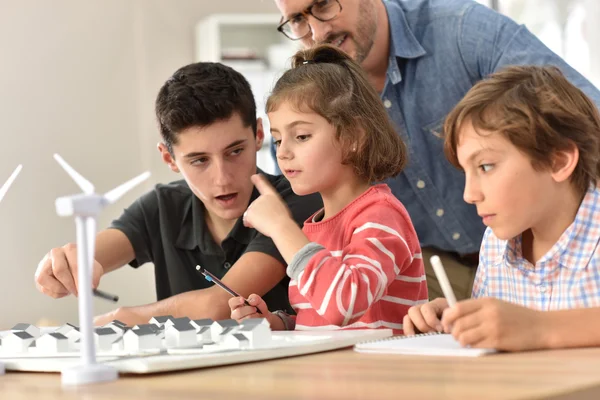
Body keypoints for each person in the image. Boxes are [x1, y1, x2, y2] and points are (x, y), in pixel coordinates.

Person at [272, 0, 600, 301]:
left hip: (536, 248)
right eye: (298, 20)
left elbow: (582, 121)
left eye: (324, 4)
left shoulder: (463, 30)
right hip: (438, 265)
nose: (317, 31)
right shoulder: (314, 102)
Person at [34, 62, 322, 326]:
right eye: (199, 160)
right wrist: (63, 265)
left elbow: (218, 305)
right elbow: (87, 256)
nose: (222, 178)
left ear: (259, 134)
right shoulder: (161, 206)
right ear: (169, 159)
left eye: (235, 151)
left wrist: (122, 318)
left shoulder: (295, 200)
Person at [229, 44, 428, 333]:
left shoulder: (381, 216)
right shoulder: (314, 227)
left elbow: (343, 305)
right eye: (278, 139)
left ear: (353, 136)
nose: (283, 153)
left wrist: (281, 227)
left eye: (301, 136)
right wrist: (276, 323)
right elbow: (322, 321)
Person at [403, 65, 600, 351]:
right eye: (466, 172)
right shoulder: (496, 244)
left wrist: (538, 328)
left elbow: (530, 330)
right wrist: (465, 319)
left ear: (558, 161)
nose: (469, 195)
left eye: (486, 166)